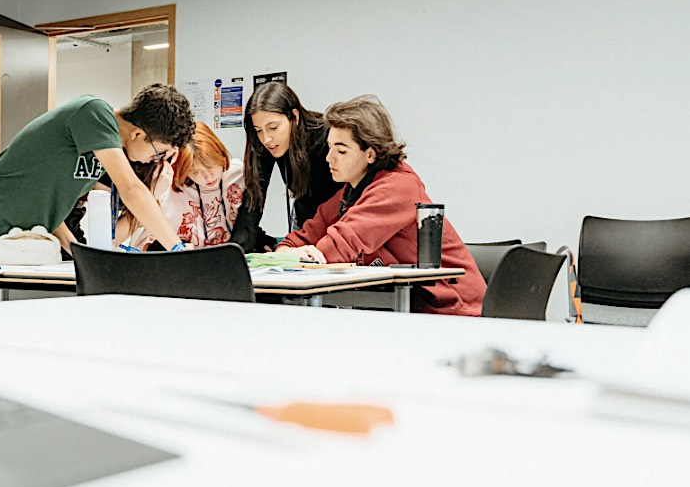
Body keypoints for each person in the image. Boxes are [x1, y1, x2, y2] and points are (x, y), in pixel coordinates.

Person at [0, 84, 195, 301]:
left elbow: (50, 206)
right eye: (159, 153)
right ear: (138, 134)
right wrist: (178, 250)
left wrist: (81, 254)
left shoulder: (101, 150)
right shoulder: (94, 112)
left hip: (10, 239)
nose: (155, 159)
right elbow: (131, 189)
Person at [276, 95, 485, 316]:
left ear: (370, 154)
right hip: (404, 308)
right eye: (329, 148)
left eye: (341, 150)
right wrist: (288, 253)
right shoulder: (350, 192)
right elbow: (298, 239)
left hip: (456, 312)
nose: (329, 158)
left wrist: (302, 256)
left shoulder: (399, 187)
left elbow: (340, 245)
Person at [230, 82, 343, 253]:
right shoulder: (265, 143)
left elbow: (350, 194)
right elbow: (254, 197)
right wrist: (238, 251)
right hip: (305, 220)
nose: (266, 138)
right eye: (258, 130)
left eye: (273, 128)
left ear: (294, 117)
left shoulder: (325, 137)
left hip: (342, 215)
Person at [115, 122, 244, 249]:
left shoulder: (240, 175)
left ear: (221, 155)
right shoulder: (167, 187)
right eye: (195, 172)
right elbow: (114, 238)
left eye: (211, 166)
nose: (208, 177)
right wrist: (152, 196)